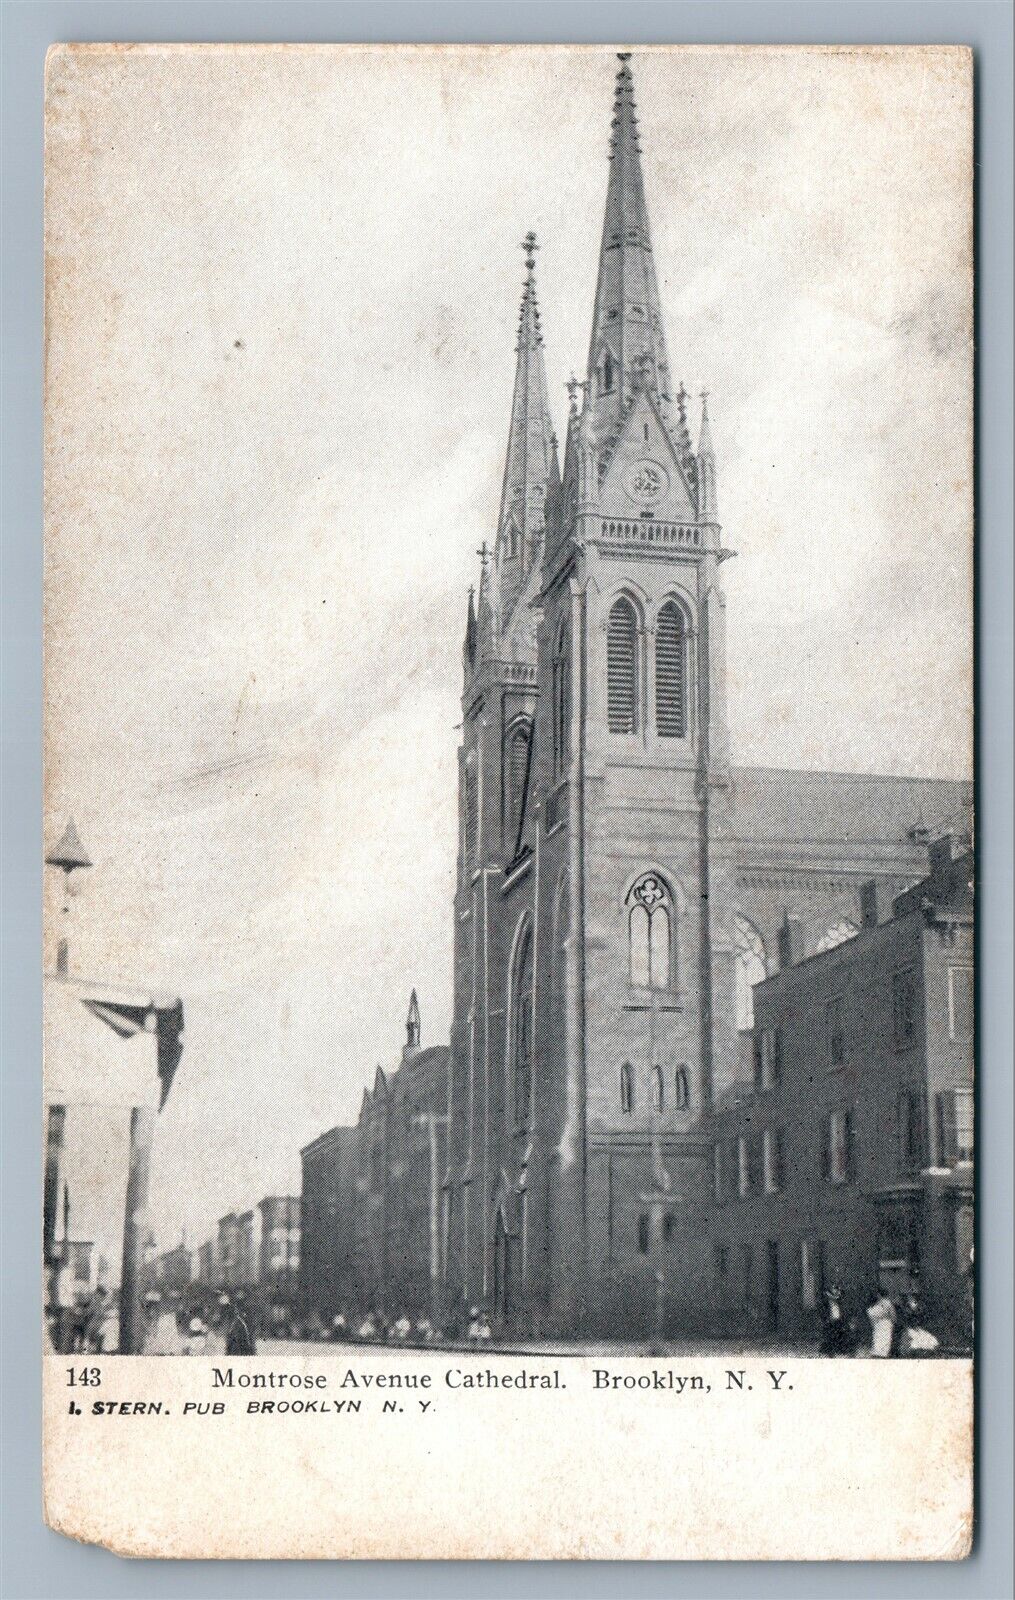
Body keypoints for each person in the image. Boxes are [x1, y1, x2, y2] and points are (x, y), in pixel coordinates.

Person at [818, 1283, 854, 1356]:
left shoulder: (840, 1300)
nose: (836, 1291)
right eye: (834, 1289)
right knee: (830, 1335)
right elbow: (822, 1311)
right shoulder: (826, 1301)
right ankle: (829, 1351)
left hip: (839, 1320)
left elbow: (845, 1310)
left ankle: (841, 1350)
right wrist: (825, 1319)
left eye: (837, 1290)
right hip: (830, 1321)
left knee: (841, 1335)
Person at [866, 1289, 897, 1358]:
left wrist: (892, 1321)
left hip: (884, 1323)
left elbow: (892, 1314)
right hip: (880, 1324)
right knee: (879, 1338)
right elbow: (892, 1314)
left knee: (883, 1338)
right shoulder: (878, 1304)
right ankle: (880, 1352)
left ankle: (881, 1353)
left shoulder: (886, 1303)